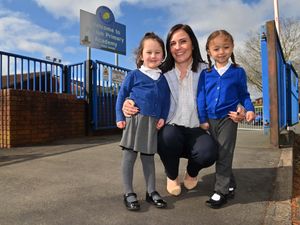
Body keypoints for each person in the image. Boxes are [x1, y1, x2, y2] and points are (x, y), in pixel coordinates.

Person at [122, 24, 245, 198]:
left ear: (193, 44)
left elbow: (229, 90)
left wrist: (240, 107)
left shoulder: (207, 70)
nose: (178, 47)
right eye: (173, 43)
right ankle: (172, 176)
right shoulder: (160, 72)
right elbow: (140, 91)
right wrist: (128, 102)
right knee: (167, 137)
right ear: (168, 49)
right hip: (171, 128)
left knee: (208, 152)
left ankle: (191, 172)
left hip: (198, 128)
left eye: (183, 41)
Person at [197, 29, 256, 208]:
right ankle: (230, 184)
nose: (221, 52)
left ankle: (220, 191)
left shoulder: (238, 72)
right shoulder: (205, 74)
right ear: (209, 51)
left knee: (225, 153)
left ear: (232, 48)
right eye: (216, 49)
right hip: (210, 120)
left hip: (229, 119)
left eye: (226, 47)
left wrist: (250, 110)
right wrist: (202, 118)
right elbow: (200, 97)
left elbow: (244, 95)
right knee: (217, 153)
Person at [115, 32, 170, 211]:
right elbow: (122, 95)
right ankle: (128, 192)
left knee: (148, 159)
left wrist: (162, 116)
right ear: (141, 55)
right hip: (134, 121)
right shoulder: (134, 75)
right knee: (129, 157)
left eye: (157, 52)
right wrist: (120, 117)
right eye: (149, 52)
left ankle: (151, 191)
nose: (153, 56)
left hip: (151, 123)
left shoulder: (162, 79)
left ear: (163, 55)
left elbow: (166, 100)